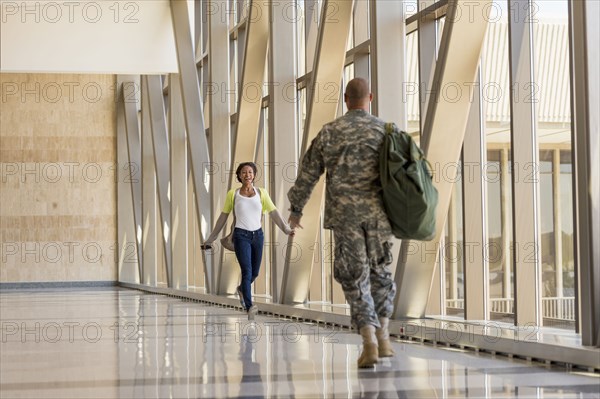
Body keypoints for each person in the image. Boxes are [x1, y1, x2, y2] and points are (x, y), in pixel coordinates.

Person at [287, 77, 396, 368]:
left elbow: (308, 173)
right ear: (370, 97)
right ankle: (384, 335)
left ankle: (369, 340)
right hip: (379, 216)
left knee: (354, 276)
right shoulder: (386, 131)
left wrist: (296, 208)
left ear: (346, 99)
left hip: (345, 217)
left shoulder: (330, 132)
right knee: (381, 273)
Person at [202, 162, 294, 319]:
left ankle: (241, 290)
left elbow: (274, 213)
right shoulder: (233, 194)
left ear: (254, 175)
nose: (247, 175)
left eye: (250, 172)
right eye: (243, 172)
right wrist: (211, 239)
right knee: (247, 270)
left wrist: (286, 229)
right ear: (239, 176)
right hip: (240, 236)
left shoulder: (262, 193)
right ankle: (250, 306)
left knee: (255, 272)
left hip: (257, 236)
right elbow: (223, 218)